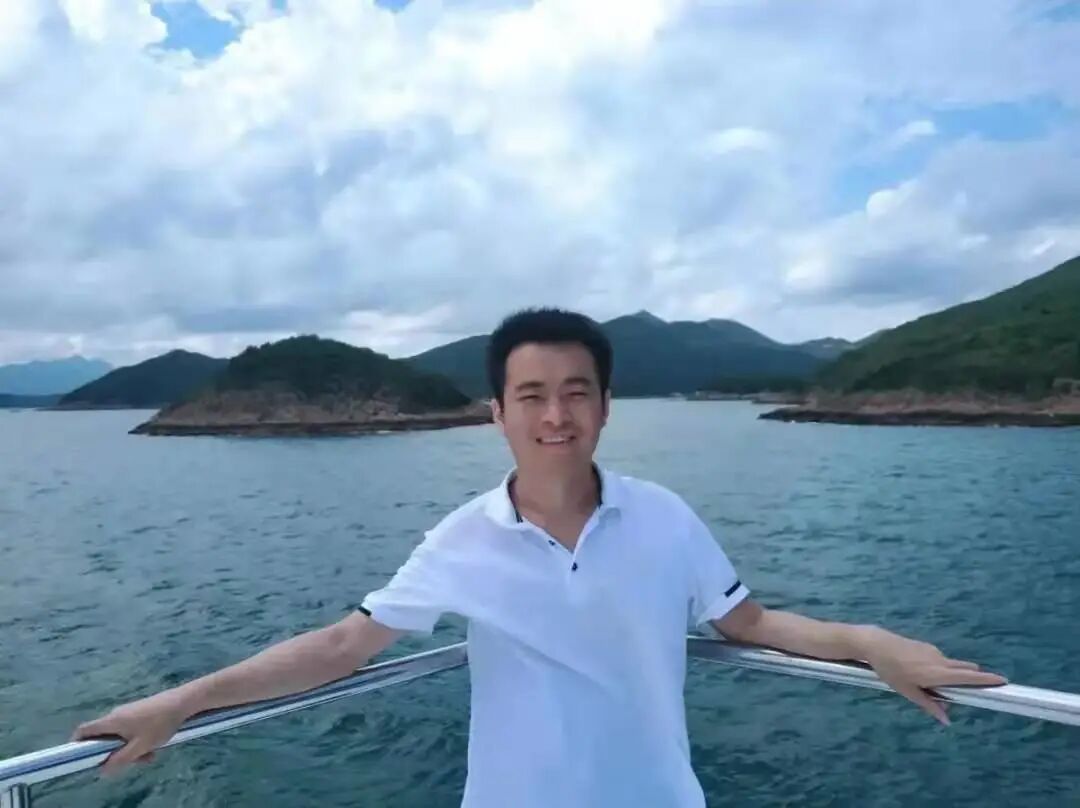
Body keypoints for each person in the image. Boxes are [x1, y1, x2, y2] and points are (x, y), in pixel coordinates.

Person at [72, 307, 1007, 806]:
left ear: (605, 406)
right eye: (531, 395)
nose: (554, 415)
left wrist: (869, 642)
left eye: (575, 392)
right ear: (497, 413)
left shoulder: (665, 517)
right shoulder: (462, 539)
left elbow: (750, 621)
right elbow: (341, 646)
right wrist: (182, 701)